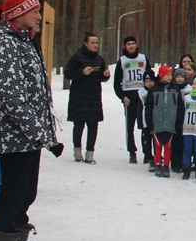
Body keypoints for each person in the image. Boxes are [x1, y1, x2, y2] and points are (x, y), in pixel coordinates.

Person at [0, 0, 58, 241]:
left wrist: (44, 132)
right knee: (11, 195)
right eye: (35, 11)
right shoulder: (2, 43)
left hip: (28, 135)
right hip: (12, 135)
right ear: (18, 14)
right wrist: (38, 131)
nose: (39, 16)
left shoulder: (22, 40)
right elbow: (10, 95)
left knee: (25, 193)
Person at [64, 32, 110, 164]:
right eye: (92, 43)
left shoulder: (99, 59)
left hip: (94, 97)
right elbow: (68, 73)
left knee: (93, 125)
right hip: (79, 96)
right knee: (79, 124)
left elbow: (101, 77)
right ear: (85, 43)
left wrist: (105, 75)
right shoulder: (77, 57)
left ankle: (90, 152)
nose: (95, 45)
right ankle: (77, 150)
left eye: (97, 43)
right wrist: (81, 72)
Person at [113, 36, 150, 164]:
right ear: (125, 46)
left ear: (137, 44)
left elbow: (150, 77)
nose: (131, 46)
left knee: (145, 125)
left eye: (133, 43)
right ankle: (132, 152)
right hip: (129, 98)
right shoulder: (122, 61)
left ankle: (147, 152)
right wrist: (123, 97)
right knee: (130, 126)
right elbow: (116, 83)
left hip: (142, 97)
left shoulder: (143, 58)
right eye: (128, 44)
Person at [144, 65, 182, 178]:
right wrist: (149, 121)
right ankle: (158, 164)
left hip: (170, 122)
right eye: (167, 75)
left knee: (168, 145)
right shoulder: (154, 90)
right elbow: (149, 107)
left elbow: (180, 107)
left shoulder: (175, 89)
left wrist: (178, 120)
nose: (170, 77)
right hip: (157, 122)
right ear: (161, 76)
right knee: (158, 145)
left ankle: (166, 165)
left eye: (171, 75)